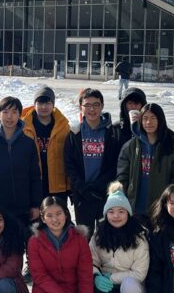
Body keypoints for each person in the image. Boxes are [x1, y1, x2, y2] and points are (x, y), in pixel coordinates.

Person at [0, 96, 42, 227]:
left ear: (20, 115)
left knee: (21, 245)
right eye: (5, 112)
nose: (9, 117)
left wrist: (35, 204)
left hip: (23, 208)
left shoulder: (28, 143)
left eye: (14, 112)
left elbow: (35, 176)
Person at [64, 88, 122, 236]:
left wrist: (100, 186)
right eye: (87, 105)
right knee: (85, 237)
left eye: (96, 105)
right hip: (82, 195)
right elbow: (69, 164)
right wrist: (81, 188)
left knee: (106, 235)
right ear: (80, 108)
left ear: (102, 106)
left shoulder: (112, 132)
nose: (92, 109)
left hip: (104, 193)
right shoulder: (74, 133)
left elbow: (115, 163)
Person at [117, 103, 174, 217]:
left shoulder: (173, 148)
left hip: (161, 209)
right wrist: (125, 197)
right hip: (135, 208)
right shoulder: (130, 146)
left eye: (153, 118)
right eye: (145, 118)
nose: (149, 122)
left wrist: (171, 202)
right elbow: (122, 175)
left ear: (161, 120)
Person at [89, 182, 149, 293]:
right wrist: (96, 275)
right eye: (111, 212)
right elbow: (90, 260)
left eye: (121, 211)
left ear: (128, 213)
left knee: (129, 284)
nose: (116, 216)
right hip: (104, 284)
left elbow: (139, 273)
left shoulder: (139, 238)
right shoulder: (98, 235)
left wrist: (111, 278)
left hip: (128, 284)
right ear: (106, 215)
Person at [27, 196, 93, 293]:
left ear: (66, 214)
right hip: (45, 290)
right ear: (43, 219)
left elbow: (85, 274)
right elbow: (39, 276)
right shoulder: (35, 242)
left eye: (58, 214)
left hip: (73, 289)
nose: (54, 219)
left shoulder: (79, 238)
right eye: (49, 215)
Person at [21, 86, 70, 201]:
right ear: (34, 104)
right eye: (40, 103)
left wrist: (69, 186)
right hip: (33, 184)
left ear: (53, 104)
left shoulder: (63, 126)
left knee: (57, 217)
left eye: (47, 103)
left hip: (57, 186)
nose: (43, 107)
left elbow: (68, 157)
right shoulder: (24, 126)